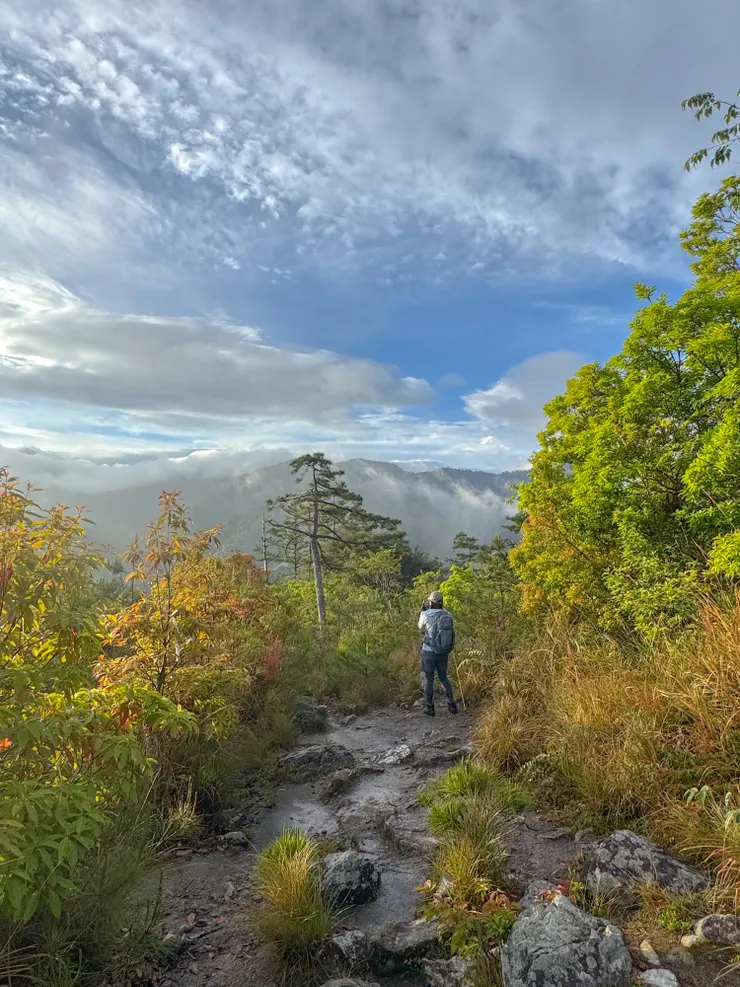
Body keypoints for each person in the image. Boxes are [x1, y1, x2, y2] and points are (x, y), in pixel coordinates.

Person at [418, 591, 458, 717]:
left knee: (429, 679)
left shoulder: (425, 614)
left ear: (431, 602)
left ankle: (430, 707)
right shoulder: (447, 614)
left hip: (428, 650)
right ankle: (451, 704)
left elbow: (420, 627)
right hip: (442, 651)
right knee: (443, 677)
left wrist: (422, 611)